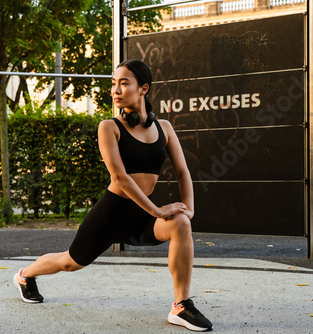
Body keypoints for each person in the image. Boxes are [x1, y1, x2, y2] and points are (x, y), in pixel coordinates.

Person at [13, 59, 213, 332]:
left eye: (124, 83)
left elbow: (182, 171)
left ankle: (181, 305)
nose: (116, 90)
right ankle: (25, 276)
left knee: (181, 223)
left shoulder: (164, 128)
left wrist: (188, 208)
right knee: (70, 262)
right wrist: (156, 210)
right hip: (112, 213)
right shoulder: (109, 127)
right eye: (113, 84)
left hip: (143, 217)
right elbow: (120, 177)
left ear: (144, 89)